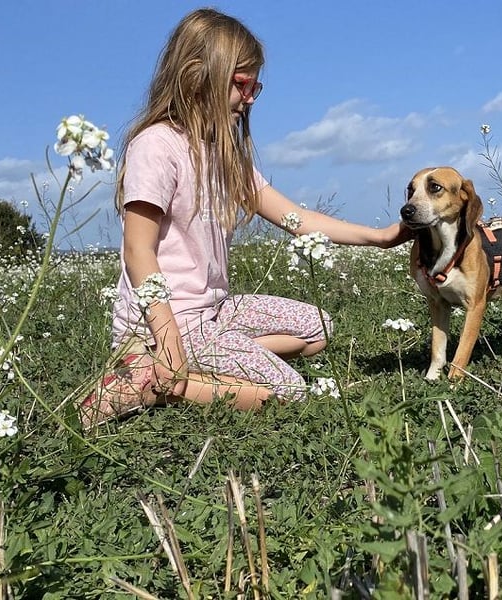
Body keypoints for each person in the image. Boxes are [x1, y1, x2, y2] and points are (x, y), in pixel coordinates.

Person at [78, 8, 410, 429]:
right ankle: (153, 381)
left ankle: (200, 365)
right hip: (165, 321)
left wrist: (380, 237)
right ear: (197, 75)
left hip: (214, 313)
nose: (250, 97)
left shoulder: (225, 155)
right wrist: (167, 338)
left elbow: (297, 218)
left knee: (318, 328)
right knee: (291, 391)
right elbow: (137, 249)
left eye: (256, 86)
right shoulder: (156, 145)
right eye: (241, 84)